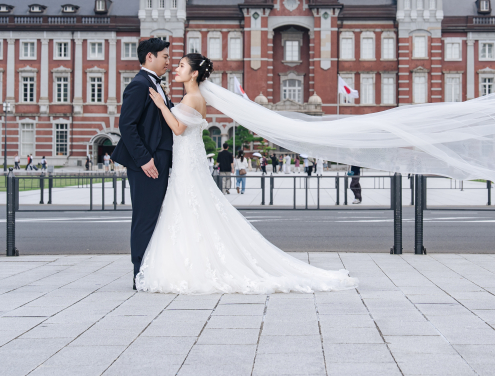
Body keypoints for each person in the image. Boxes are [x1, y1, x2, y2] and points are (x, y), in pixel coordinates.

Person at [134, 52, 357, 295]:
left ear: (194, 73)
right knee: (196, 209)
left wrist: (161, 105)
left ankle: (188, 262)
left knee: (189, 208)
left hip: (187, 163)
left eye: (181, 66)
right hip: (189, 161)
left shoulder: (191, 98)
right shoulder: (195, 97)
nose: (175, 68)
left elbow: (178, 129)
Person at [111, 38, 174, 290]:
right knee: (145, 218)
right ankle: (140, 273)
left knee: (154, 218)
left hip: (158, 160)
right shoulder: (138, 85)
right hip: (147, 163)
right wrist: (144, 159)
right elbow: (126, 126)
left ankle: (150, 269)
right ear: (150, 57)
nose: (168, 61)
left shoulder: (155, 84)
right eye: (165, 57)